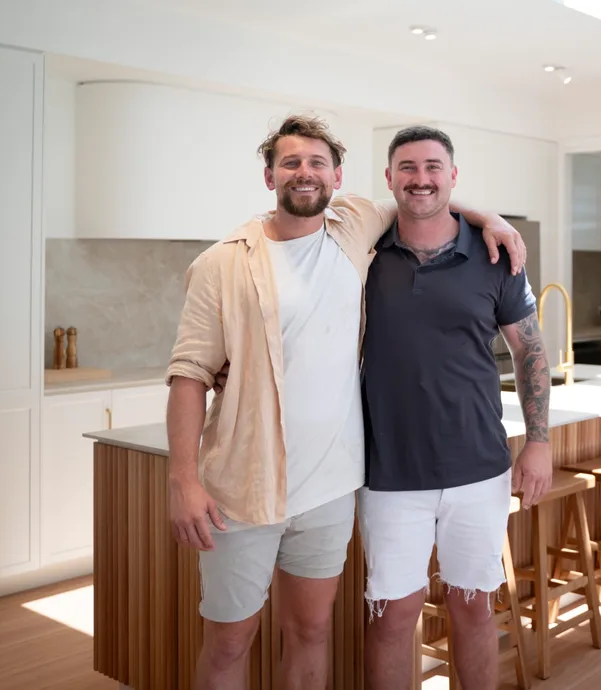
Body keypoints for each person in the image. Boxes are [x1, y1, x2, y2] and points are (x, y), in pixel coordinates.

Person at [164, 114, 527, 690]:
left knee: (311, 632)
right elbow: (188, 375)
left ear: (337, 178)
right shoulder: (222, 263)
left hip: (331, 488)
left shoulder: (354, 226)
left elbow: (428, 198)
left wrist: (490, 218)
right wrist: (182, 477)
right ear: (269, 176)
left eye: (316, 164)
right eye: (290, 163)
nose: (304, 174)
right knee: (230, 639)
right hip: (243, 485)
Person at [358, 125, 553, 690]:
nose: (421, 179)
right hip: (388, 471)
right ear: (390, 177)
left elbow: (530, 349)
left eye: (433, 167)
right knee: (394, 615)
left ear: (453, 175)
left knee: (473, 607)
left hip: (479, 467)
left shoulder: (495, 256)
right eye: (409, 168)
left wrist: (538, 442)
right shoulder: (362, 252)